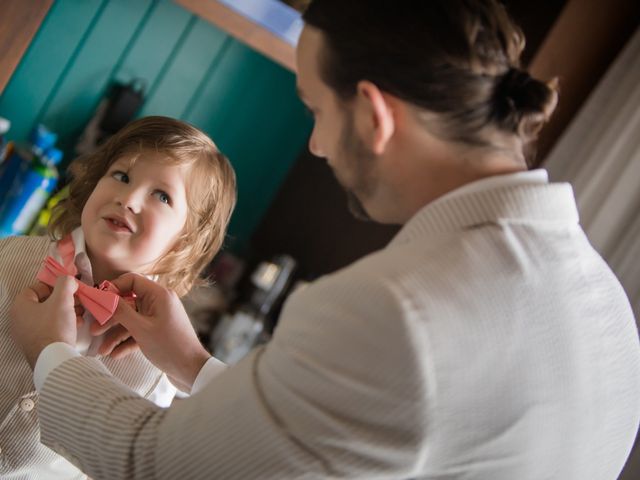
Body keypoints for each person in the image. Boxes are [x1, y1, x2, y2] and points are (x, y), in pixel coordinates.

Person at [9, 0, 640, 478]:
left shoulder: (394, 306)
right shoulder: (610, 309)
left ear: (372, 114)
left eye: (315, 110)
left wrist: (49, 355)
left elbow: (162, 464)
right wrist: (193, 363)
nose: (314, 143)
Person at [0, 116, 236, 479]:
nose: (129, 198)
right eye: (122, 176)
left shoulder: (160, 372)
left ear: (187, 241)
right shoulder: (6, 257)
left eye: (162, 195)